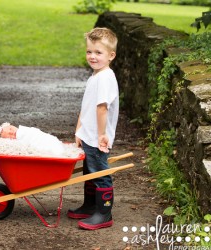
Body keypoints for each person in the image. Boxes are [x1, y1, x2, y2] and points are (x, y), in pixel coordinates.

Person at [67, 27, 119, 231]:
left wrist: (101, 136)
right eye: (90, 51)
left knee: (100, 173)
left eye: (99, 52)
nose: (92, 56)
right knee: (90, 171)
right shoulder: (95, 76)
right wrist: (79, 131)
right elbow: (86, 107)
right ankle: (90, 206)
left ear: (111, 55)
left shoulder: (106, 78)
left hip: (98, 137)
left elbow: (102, 108)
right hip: (88, 135)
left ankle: (104, 213)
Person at [0, 122, 65, 156]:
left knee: (51, 145)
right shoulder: (16, 144)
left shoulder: (27, 131)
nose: (12, 132)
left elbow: (36, 135)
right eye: (9, 135)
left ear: (13, 126)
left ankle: (57, 152)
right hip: (51, 153)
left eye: (10, 129)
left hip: (53, 146)